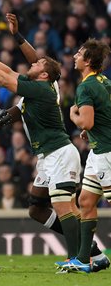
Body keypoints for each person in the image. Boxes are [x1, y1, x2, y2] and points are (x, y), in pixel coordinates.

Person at [0, 13, 83, 266]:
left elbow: (4, 78)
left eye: (38, 66)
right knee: (36, 208)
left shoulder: (41, 89)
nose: (33, 64)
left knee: (63, 206)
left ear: (45, 75)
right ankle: (87, 247)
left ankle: (78, 256)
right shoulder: (32, 90)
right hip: (47, 156)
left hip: (59, 152)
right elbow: (5, 83)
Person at [56, 39, 111, 274]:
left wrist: (74, 116)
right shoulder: (105, 81)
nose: (75, 56)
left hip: (107, 153)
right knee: (85, 201)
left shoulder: (85, 87)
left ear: (88, 61)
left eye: (79, 53)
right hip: (97, 151)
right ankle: (84, 259)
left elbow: (86, 120)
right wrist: (92, 128)